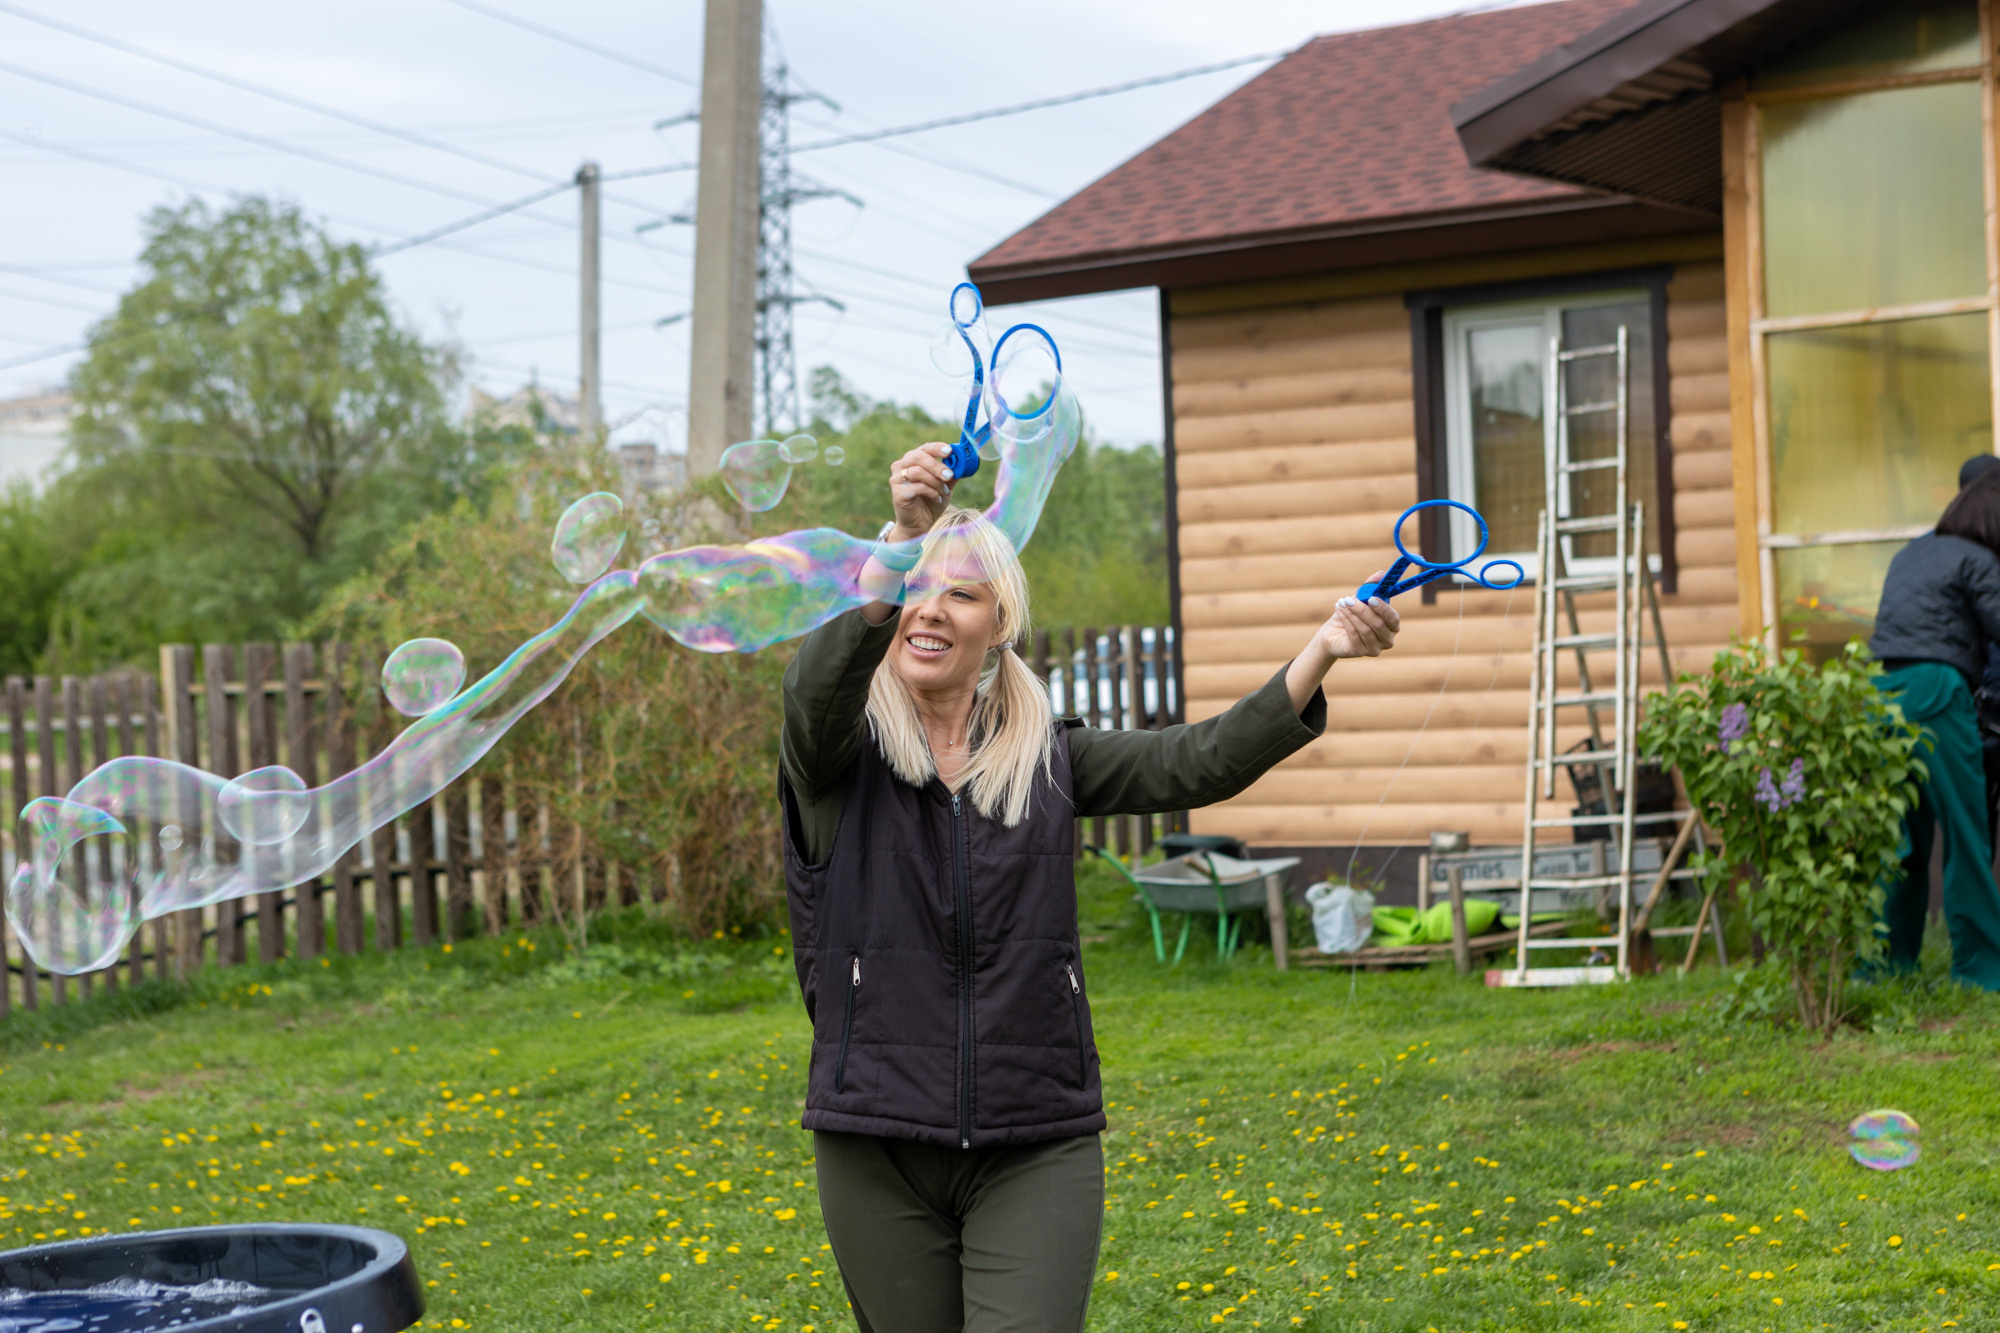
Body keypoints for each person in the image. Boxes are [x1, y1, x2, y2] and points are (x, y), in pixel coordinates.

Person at [779, 440, 1399, 1333]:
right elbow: (815, 689)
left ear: (999, 622)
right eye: (917, 586)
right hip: (875, 1136)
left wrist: (1325, 647)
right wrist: (902, 540)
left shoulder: (1050, 759)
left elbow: (1202, 759)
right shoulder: (835, 759)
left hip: (1037, 1133)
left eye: (962, 592)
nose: (930, 607)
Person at [1868, 469, 2000, 989]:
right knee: (1966, 830)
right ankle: (1982, 969)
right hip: (1938, 689)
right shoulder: (1978, 559)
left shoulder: (1912, 554)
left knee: (1902, 834)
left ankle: (1885, 963)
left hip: (1882, 693)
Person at [1961, 453, 2000, 850]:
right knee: (1978, 827)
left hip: (1972, 709)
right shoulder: (1953, 549)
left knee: (1977, 828)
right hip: (1976, 709)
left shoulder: (1940, 545)